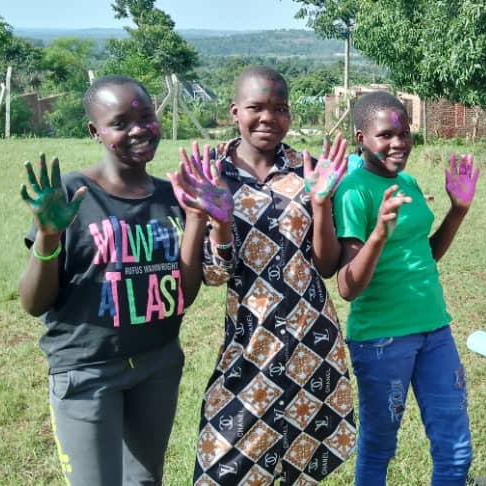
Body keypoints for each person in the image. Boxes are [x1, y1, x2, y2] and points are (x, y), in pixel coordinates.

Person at [17, 75, 213, 485]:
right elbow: (34, 303)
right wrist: (49, 238)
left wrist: (195, 220)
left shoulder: (170, 197)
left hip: (157, 364)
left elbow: (182, 296)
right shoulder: (73, 194)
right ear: (95, 131)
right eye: (120, 123)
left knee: (143, 481)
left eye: (146, 117)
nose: (138, 129)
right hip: (86, 370)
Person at [191, 65, 357, 485]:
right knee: (225, 457)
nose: (268, 118)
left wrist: (321, 204)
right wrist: (222, 225)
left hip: (311, 343)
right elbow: (213, 275)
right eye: (256, 107)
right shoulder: (212, 175)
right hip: (249, 343)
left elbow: (325, 265)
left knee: (299, 465)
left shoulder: (309, 169)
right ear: (234, 111)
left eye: (279, 109)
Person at [333, 91, 480, 485]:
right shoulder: (353, 191)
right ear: (361, 137)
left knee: (456, 450)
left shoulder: (408, 181)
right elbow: (347, 287)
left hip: (435, 330)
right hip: (382, 337)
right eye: (386, 135)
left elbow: (426, 254)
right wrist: (379, 233)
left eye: (405, 133)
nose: (398, 143)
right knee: (380, 446)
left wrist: (458, 210)